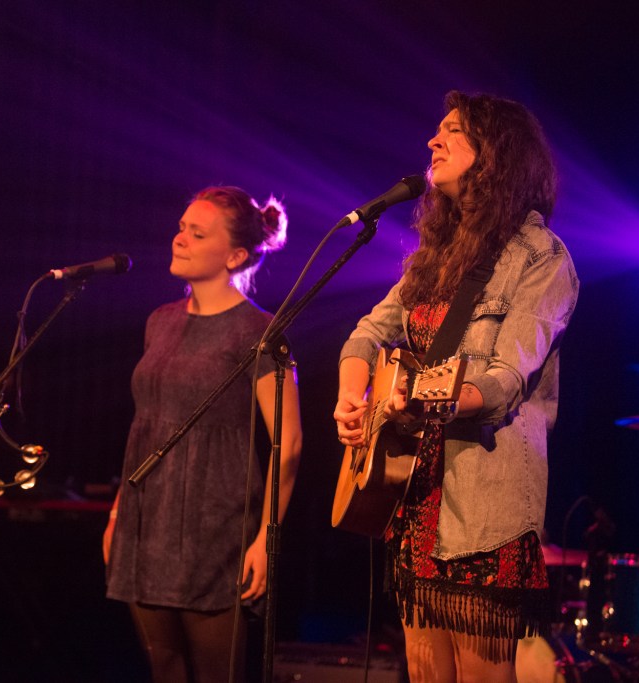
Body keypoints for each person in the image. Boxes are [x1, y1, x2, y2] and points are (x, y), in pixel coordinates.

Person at [334, 91, 579, 682]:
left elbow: (502, 381)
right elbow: (367, 334)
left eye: (452, 131)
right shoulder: (436, 256)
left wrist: (420, 393)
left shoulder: (541, 258)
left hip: (486, 504)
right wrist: (353, 396)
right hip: (416, 495)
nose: (432, 141)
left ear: (494, 154)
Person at [103, 186, 303, 683]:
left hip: (216, 525)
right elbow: (144, 422)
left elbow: (289, 441)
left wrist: (265, 538)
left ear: (236, 255)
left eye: (197, 233)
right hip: (146, 519)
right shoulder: (160, 321)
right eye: (181, 228)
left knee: (219, 674)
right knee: (163, 668)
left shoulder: (258, 330)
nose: (180, 239)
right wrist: (116, 513)